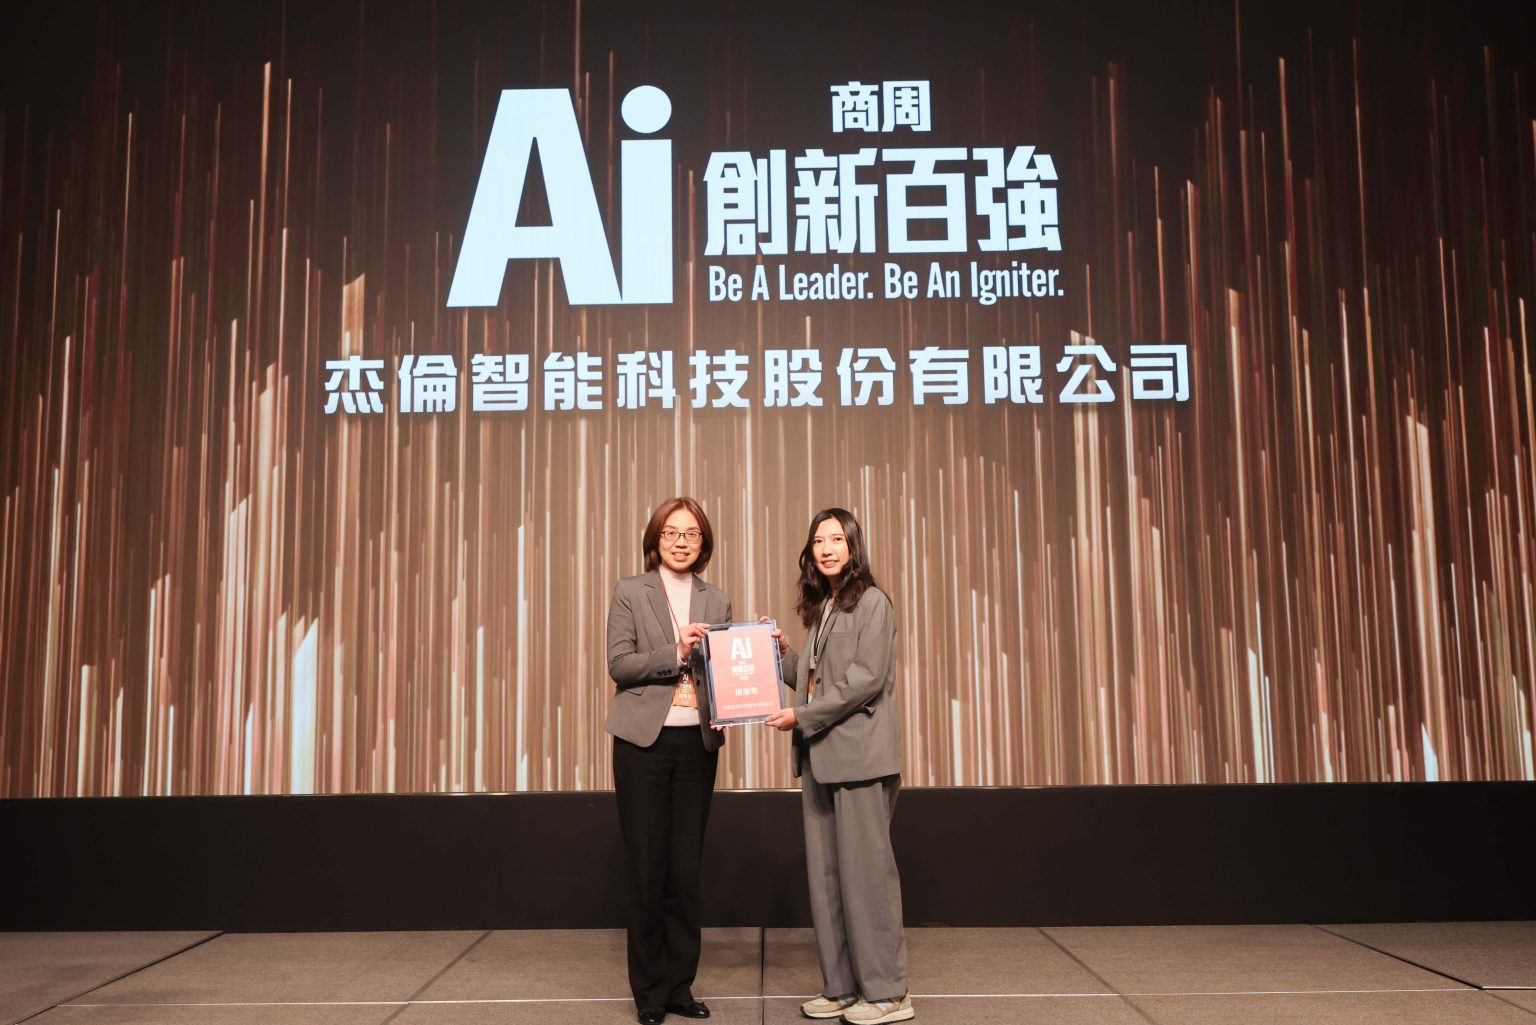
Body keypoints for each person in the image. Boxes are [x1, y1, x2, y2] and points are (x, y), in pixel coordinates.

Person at [765, 508, 913, 1024]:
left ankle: (889, 993)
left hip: (861, 761)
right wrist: (778, 654)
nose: (826, 549)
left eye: (836, 539)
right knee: (827, 880)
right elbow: (813, 681)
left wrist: (800, 717)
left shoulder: (872, 602)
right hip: (821, 759)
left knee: (867, 879)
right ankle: (843, 986)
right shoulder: (824, 607)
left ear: (853, 546)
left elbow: (864, 680)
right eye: (818, 541)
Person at [604, 497, 732, 1025]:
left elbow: (725, 673)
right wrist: (676, 652)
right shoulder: (630, 590)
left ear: (704, 543)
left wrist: (758, 660)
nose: (682, 541)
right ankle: (650, 993)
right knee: (647, 869)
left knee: (685, 870)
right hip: (642, 746)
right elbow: (619, 664)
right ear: (655, 539)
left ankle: (680, 986)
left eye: (692, 533)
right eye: (672, 532)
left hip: (696, 747)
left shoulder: (716, 599)